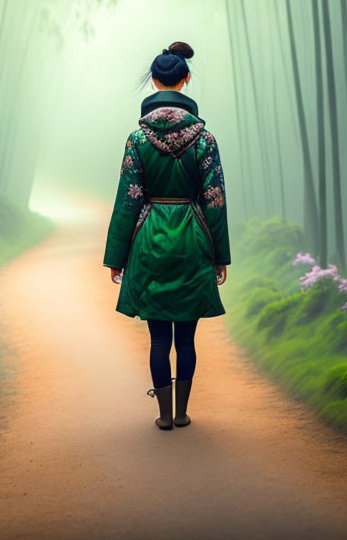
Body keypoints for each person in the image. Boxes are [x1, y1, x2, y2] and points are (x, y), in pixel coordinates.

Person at [103, 41, 231, 431]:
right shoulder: (205, 140)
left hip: (149, 239)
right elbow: (215, 201)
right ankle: (182, 411)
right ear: (185, 80)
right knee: (186, 339)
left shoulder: (137, 140)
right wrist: (220, 256)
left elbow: (128, 200)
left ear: (154, 82)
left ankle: (162, 415)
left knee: (158, 339)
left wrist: (116, 257)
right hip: (193, 238)